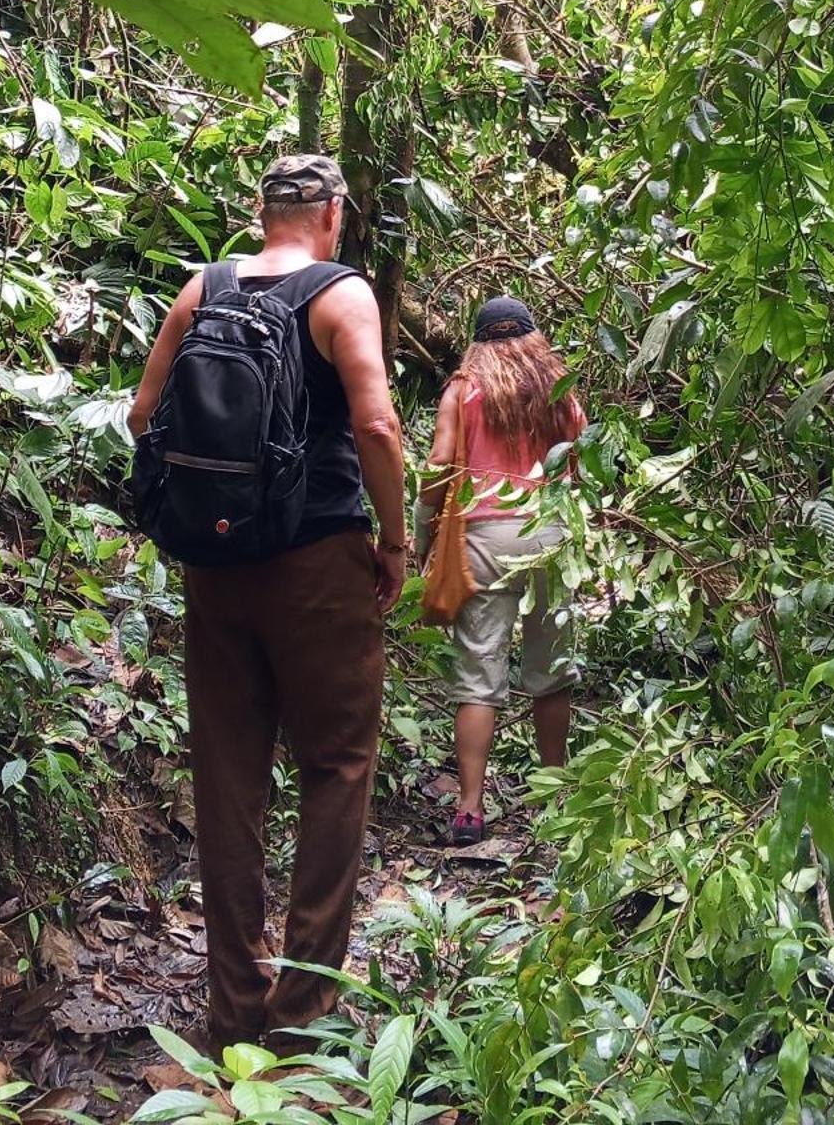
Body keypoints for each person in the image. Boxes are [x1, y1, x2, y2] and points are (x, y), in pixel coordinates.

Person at [127, 153, 407, 1056]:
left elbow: (142, 416)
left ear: (263, 212)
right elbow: (376, 425)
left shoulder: (201, 290)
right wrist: (395, 541)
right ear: (333, 215)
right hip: (319, 563)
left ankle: (232, 1013)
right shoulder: (342, 294)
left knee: (228, 777)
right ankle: (302, 1016)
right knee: (335, 764)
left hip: (218, 567)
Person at [415, 295, 585, 846]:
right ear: (534, 337)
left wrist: (420, 538)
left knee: (478, 673)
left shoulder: (464, 390)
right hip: (551, 533)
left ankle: (469, 809)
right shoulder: (558, 391)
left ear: (476, 340)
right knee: (551, 668)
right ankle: (555, 797)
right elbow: (581, 462)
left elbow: (439, 465)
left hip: (484, 535)